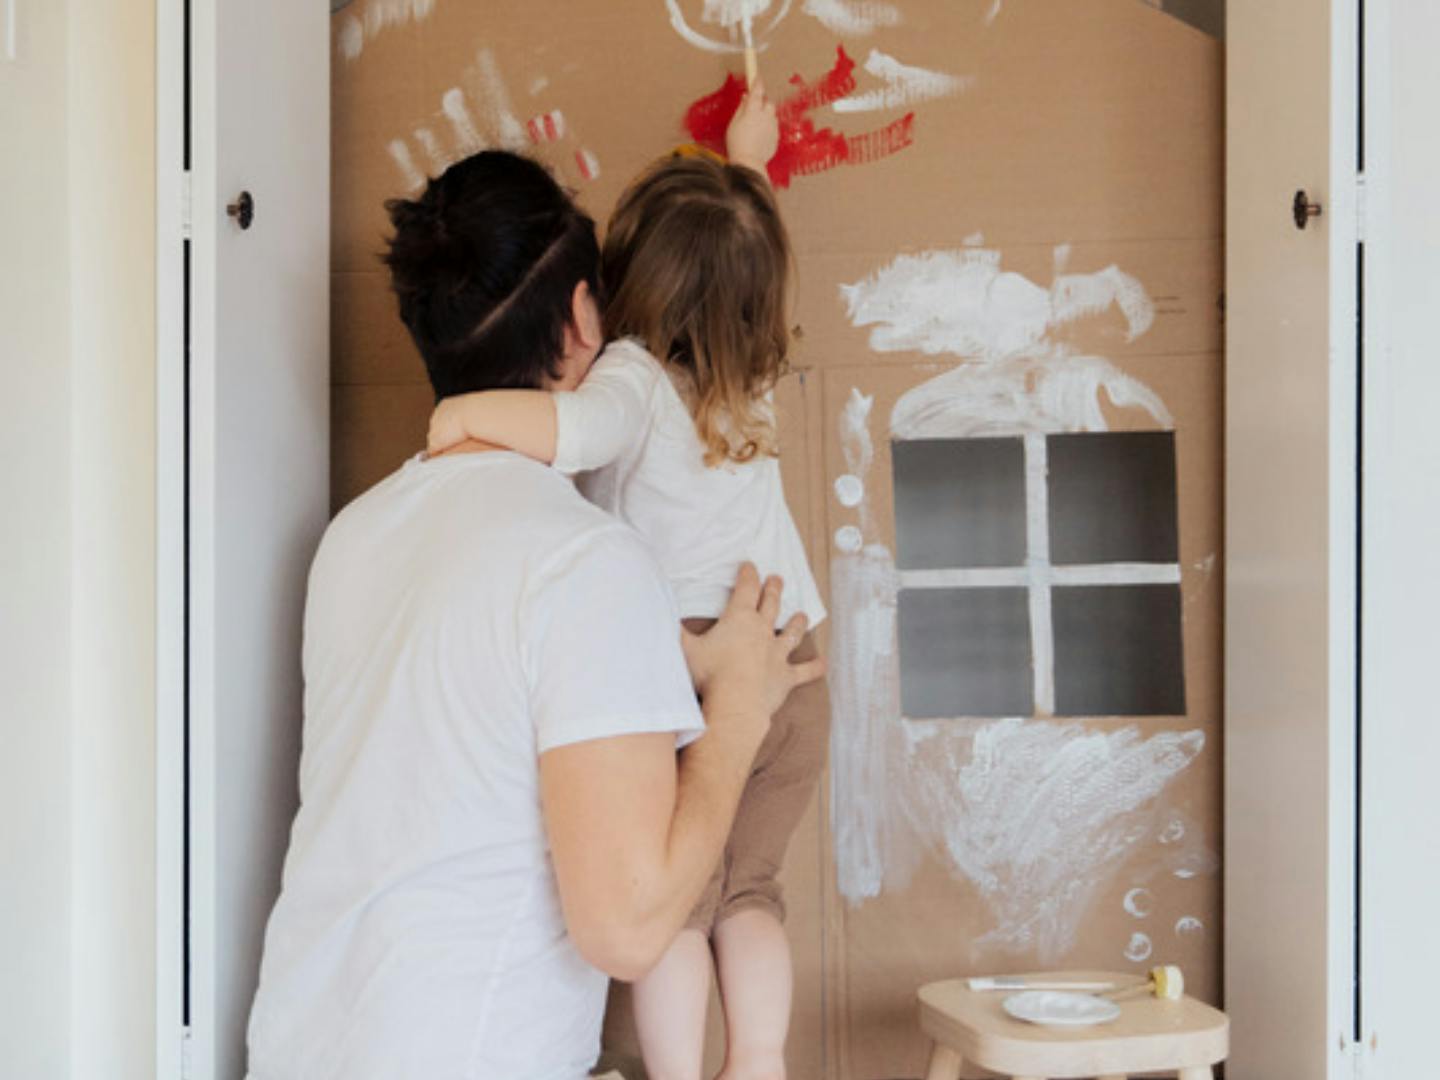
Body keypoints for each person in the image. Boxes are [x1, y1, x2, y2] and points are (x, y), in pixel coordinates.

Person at [243, 148, 824, 1080]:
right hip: (471, 1060)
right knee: (732, 903)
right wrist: (741, 705)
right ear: (585, 319)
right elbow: (631, 927)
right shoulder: (585, 561)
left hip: (300, 1051)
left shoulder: (352, 538)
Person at [426, 82, 829, 1080]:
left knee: (680, 904)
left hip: (689, 673)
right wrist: (752, 166)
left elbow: (565, 433)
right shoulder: (756, 370)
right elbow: (744, 250)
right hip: (793, 662)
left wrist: (460, 419)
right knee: (753, 893)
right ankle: (764, 1061)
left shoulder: (633, 380)